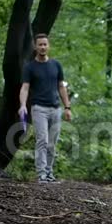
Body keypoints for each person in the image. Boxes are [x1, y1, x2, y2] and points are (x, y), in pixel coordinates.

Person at [18, 33, 72, 183]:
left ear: (49, 46)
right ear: (35, 47)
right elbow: (25, 88)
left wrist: (67, 107)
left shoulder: (56, 65)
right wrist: (23, 105)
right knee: (42, 140)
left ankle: (49, 173)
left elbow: (61, 87)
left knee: (52, 143)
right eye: (40, 44)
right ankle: (41, 173)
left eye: (45, 44)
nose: (42, 47)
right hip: (39, 109)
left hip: (55, 109)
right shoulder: (30, 67)